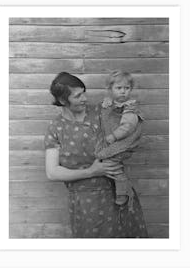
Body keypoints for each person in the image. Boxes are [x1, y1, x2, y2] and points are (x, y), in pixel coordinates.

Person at [44, 72, 148, 238]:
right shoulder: (56, 128)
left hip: (117, 194)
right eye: (78, 96)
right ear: (63, 101)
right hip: (85, 204)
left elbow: (130, 125)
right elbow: (52, 172)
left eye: (84, 92)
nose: (85, 98)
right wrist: (92, 171)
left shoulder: (101, 111)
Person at [94, 70, 144, 206]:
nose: (123, 91)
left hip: (124, 142)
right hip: (112, 140)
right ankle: (114, 185)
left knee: (111, 163)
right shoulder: (111, 103)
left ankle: (123, 191)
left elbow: (127, 127)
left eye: (127, 88)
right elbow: (104, 117)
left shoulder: (130, 108)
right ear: (110, 89)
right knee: (107, 161)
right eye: (119, 88)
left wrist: (114, 136)